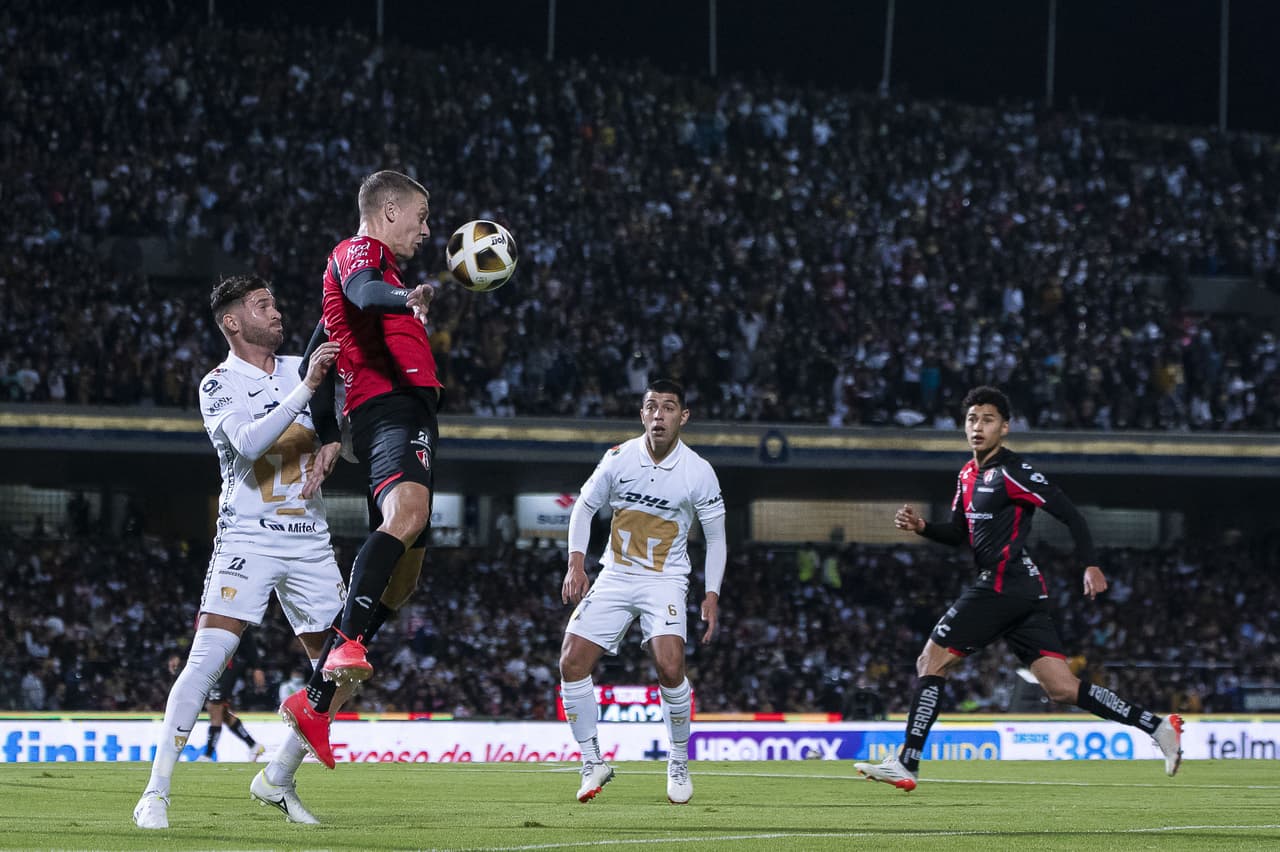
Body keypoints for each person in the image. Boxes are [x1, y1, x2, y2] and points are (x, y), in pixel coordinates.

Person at [854, 385, 1183, 791]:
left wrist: (1090, 564)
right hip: (1022, 591)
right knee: (1062, 688)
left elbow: (1071, 516)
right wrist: (924, 527)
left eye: (988, 419)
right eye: (972, 419)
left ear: (1004, 428)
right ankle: (1157, 726)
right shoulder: (967, 474)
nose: (978, 426)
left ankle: (908, 762)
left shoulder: (1014, 471)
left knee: (930, 662)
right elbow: (959, 533)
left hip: (1001, 584)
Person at [133, 275, 345, 829]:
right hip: (248, 537)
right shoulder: (218, 384)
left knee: (343, 669)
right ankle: (155, 793)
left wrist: (408, 316)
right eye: (262, 305)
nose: (276, 313)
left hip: (310, 541)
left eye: (274, 302)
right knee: (205, 662)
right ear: (232, 321)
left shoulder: (304, 364)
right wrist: (306, 387)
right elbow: (250, 443)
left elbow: (358, 375)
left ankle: (276, 778)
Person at [280, 169, 439, 769]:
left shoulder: (363, 280)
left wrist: (324, 434)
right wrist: (408, 298)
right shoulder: (359, 255)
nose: (426, 231)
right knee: (408, 515)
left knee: (404, 580)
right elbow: (372, 294)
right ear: (390, 210)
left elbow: (318, 353)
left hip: (407, 414)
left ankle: (316, 700)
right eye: (421, 218)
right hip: (388, 408)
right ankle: (344, 644)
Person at [559, 379, 727, 805]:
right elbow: (584, 506)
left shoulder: (699, 471)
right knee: (571, 662)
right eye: (651, 407)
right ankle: (593, 760)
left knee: (670, 667)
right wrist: (576, 563)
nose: (658, 415)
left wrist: (712, 594)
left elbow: (717, 538)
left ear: (682, 417)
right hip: (615, 574)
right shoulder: (618, 458)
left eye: (668, 408)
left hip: (664, 579)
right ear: (642, 414)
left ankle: (677, 758)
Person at [197, 645, 265, 762]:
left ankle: (207, 755)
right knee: (222, 713)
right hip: (214, 664)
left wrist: (257, 667)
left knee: (214, 707)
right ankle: (253, 745)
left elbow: (248, 640)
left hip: (227, 664)